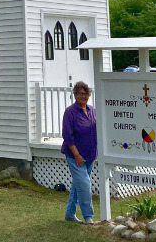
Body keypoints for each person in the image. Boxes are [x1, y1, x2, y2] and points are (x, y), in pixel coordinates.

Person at [61, 80, 97, 224]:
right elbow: (68, 136)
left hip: (90, 155)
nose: (83, 96)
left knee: (78, 185)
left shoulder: (92, 110)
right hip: (75, 155)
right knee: (84, 185)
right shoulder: (70, 112)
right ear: (75, 95)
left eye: (86, 93)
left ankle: (70, 213)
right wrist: (77, 155)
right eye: (80, 93)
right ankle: (88, 216)